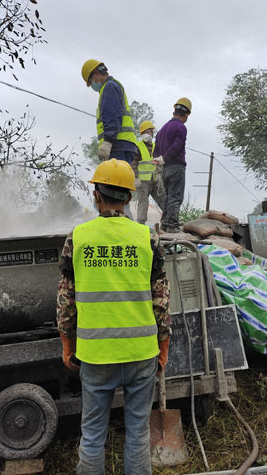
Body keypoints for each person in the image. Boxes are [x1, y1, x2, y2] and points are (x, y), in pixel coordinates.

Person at [57, 158, 171, 475]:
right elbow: (161, 300)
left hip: (95, 356)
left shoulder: (77, 238)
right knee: (137, 433)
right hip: (141, 354)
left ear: (96, 195)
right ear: (129, 199)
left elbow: (65, 300)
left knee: (92, 436)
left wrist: (68, 344)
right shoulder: (147, 238)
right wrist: (163, 347)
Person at [81, 59, 137, 164]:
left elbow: (112, 115)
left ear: (96, 74)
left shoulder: (109, 87)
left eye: (90, 81)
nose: (92, 85)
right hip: (123, 145)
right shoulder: (112, 86)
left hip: (118, 145)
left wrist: (107, 141)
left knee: (115, 179)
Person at [154, 97, 191, 233]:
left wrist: (159, 160)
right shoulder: (181, 127)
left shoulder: (162, 130)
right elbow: (177, 145)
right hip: (176, 167)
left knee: (168, 197)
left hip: (164, 169)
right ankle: (173, 226)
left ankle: (164, 224)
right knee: (175, 197)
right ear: (186, 114)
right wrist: (166, 157)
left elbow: (156, 150)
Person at [132, 121, 166, 225]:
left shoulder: (156, 146)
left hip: (155, 180)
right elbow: (134, 163)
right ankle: (141, 225)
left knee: (164, 200)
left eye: (148, 131)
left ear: (152, 133)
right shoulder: (138, 146)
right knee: (143, 203)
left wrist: (160, 169)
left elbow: (159, 161)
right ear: (141, 134)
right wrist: (136, 178)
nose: (146, 134)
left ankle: (167, 221)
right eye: (144, 132)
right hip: (143, 182)